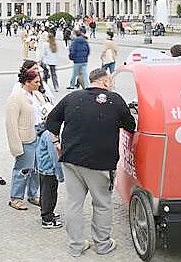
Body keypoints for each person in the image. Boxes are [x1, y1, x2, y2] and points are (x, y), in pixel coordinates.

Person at [46, 68, 136, 256]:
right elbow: (130, 125)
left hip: (71, 159)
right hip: (100, 162)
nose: (111, 85)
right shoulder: (115, 99)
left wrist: (56, 142)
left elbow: (51, 120)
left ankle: (76, 246)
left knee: (73, 203)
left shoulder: (72, 97)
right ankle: (102, 245)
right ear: (104, 82)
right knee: (102, 203)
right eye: (110, 82)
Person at [5, 69, 45, 211]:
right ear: (27, 82)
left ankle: (33, 194)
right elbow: (11, 123)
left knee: (37, 169)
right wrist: (15, 145)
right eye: (36, 82)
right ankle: (16, 198)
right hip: (26, 138)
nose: (39, 84)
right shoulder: (16, 97)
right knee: (23, 169)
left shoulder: (38, 95)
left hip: (39, 135)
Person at [37, 122, 64, 229]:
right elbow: (55, 156)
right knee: (50, 194)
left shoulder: (44, 132)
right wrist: (60, 175)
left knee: (44, 192)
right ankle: (47, 219)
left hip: (43, 168)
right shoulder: (50, 135)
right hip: (49, 169)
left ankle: (46, 211)